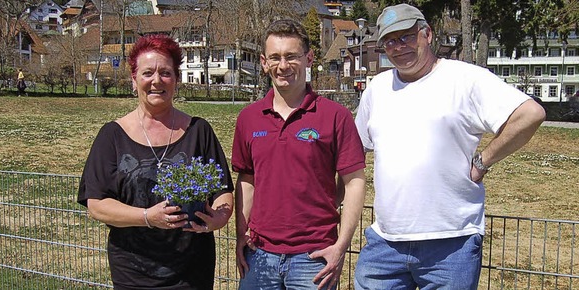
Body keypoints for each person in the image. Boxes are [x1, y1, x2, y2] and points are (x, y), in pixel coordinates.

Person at [353, 4, 546, 289]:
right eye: (390, 41)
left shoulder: (465, 79)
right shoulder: (377, 89)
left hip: (451, 244)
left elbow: (530, 114)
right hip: (385, 243)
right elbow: (355, 151)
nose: (398, 47)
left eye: (406, 37)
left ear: (427, 34)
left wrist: (483, 161)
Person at [77, 34, 234, 290]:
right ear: (134, 80)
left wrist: (217, 219)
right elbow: (97, 205)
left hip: (192, 273)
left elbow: (223, 191)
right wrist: (148, 217)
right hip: (133, 273)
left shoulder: (198, 130)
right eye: (148, 73)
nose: (156, 81)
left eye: (166, 73)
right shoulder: (112, 136)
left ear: (177, 80)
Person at [232, 19, 367, 290]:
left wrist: (341, 246)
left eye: (291, 56)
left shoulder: (335, 116)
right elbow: (247, 181)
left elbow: (355, 182)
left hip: (314, 258)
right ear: (263, 62)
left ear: (309, 58)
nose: (283, 66)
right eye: (275, 57)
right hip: (259, 256)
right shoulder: (248, 118)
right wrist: (240, 235)